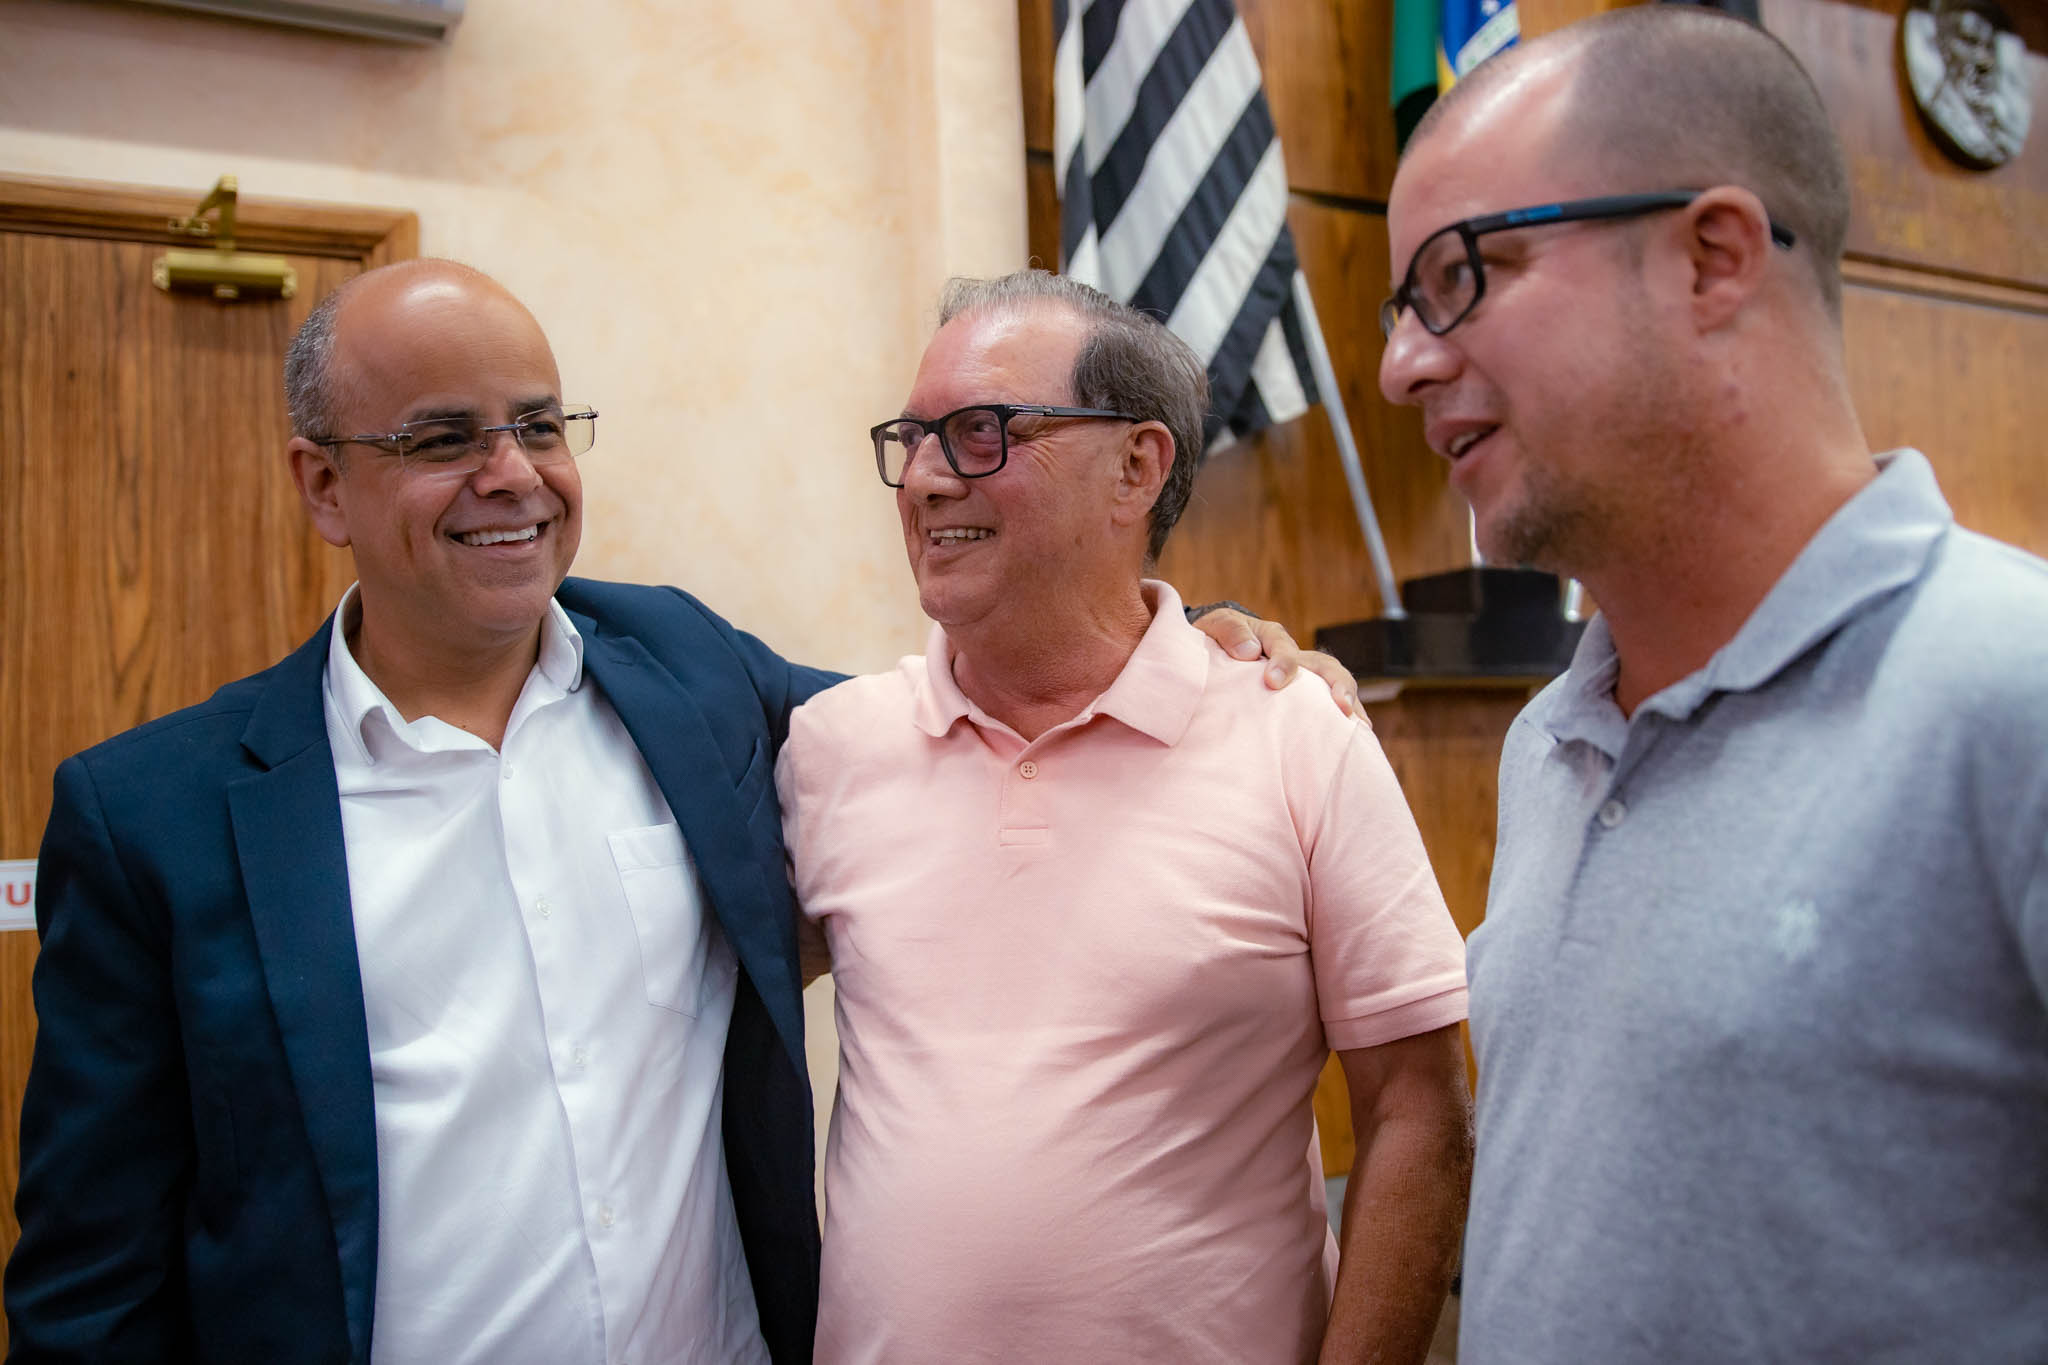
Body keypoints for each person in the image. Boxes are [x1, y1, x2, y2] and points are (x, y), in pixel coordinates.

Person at [4, 259, 1342, 1364]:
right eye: (442, 439)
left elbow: (995, 719)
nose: (511, 473)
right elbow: (89, 1287)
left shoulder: (692, 677)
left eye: (540, 425)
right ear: (321, 486)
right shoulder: (153, 821)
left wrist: (1193, 635)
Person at [1375, 9, 2048, 1362]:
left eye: (1462, 275)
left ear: (1713, 258)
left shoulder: (2011, 691)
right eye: (1399, 307)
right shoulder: (1549, 744)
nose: (1402, 366)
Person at [777, 270, 1473, 1365]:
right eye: (911, 438)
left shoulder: (1298, 732)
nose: (925, 478)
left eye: (979, 432)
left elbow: (1420, 1113)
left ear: (1137, 467)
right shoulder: (829, 748)